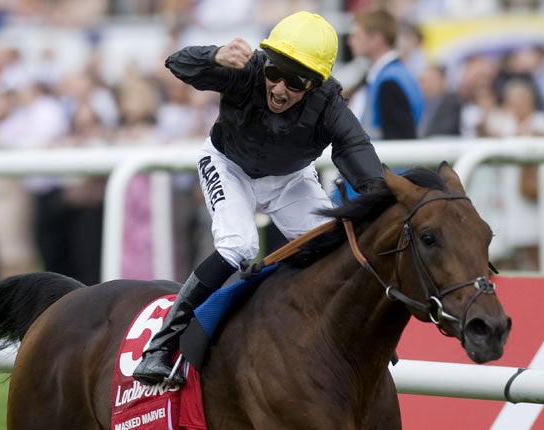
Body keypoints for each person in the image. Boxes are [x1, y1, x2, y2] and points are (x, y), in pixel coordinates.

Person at [133, 10, 385, 386]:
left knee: (334, 248)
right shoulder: (248, 67)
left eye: (296, 81)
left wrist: (387, 198)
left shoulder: (331, 105)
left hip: (289, 179)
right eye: (275, 73)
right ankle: (161, 346)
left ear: (316, 84)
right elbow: (176, 63)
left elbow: (362, 160)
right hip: (227, 165)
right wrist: (214, 56)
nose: (280, 88)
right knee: (239, 244)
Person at [347, 8, 424, 140]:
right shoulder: (390, 75)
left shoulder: (389, 82)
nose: (350, 42)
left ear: (376, 39)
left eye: (356, 36)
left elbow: (399, 144)